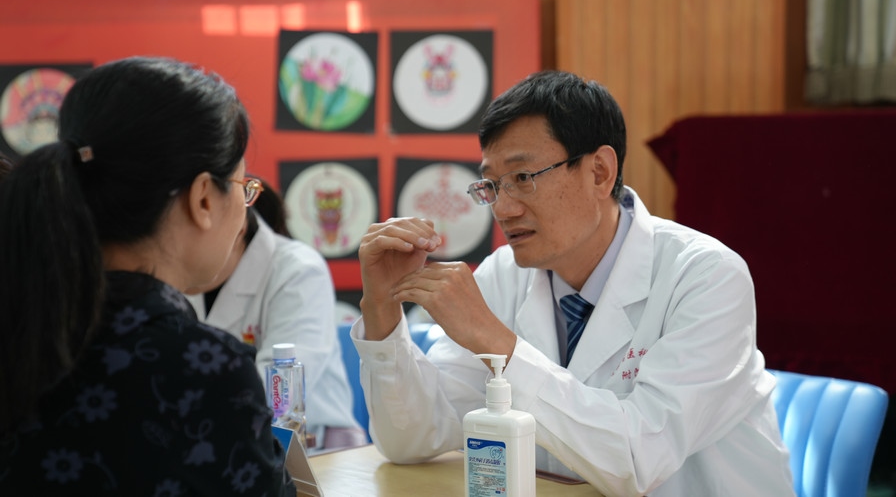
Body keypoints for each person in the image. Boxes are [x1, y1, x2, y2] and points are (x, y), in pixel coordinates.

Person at [351, 70, 794, 496]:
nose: (503, 209)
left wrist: (495, 341)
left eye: (523, 178)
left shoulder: (706, 276)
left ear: (599, 172)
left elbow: (639, 460)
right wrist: (382, 308)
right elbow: (413, 438)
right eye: (492, 185)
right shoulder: (503, 275)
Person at [0, 56, 295, 496]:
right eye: (243, 188)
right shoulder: (204, 370)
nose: (244, 212)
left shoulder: (24, 326)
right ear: (203, 198)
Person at [186, 183, 366, 452]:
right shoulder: (179, 275)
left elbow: (276, 397)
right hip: (216, 442)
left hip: (316, 451)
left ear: (237, 226)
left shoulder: (299, 270)